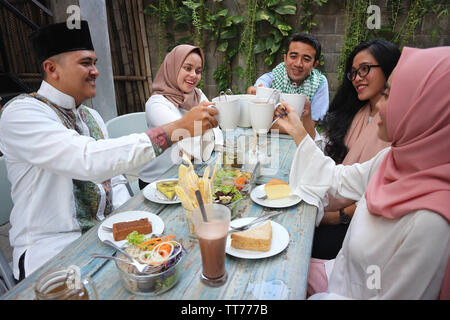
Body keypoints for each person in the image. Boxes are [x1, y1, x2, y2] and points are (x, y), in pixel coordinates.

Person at [0, 21, 218, 281]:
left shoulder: (90, 116)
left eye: (95, 63)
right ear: (52, 69)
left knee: (182, 260)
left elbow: (113, 179)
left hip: (107, 237)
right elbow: (87, 159)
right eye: (85, 63)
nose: (95, 71)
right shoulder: (22, 113)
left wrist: (137, 223)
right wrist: (174, 130)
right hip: (50, 250)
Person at [275, 46, 449, 299]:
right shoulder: (393, 159)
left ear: (426, 109)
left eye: (389, 95)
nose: (379, 106)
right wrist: (298, 131)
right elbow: (339, 179)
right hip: (337, 274)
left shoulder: (432, 222)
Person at [311, 39, 400, 260]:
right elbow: (325, 150)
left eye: (365, 69)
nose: (357, 78)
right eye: (353, 72)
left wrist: (333, 217)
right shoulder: (355, 112)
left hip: (361, 226)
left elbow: (380, 193)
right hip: (332, 201)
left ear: (390, 69)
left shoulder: (396, 125)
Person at [138, 45, 222, 188]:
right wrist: (208, 131)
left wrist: (211, 132)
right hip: (158, 180)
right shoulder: (156, 104)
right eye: (187, 68)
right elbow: (187, 137)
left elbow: (215, 127)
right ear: (173, 67)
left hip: (190, 174)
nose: (194, 75)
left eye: (198, 71)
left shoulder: (197, 94)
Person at [247, 32, 329, 126]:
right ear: (285, 59)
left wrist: (269, 123)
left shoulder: (320, 83)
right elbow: (259, 86)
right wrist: (255, 91)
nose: (298, 64)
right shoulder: (274, 76)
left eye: (306, 59)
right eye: (293, 57)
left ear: (314, 65)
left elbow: (311, 125)